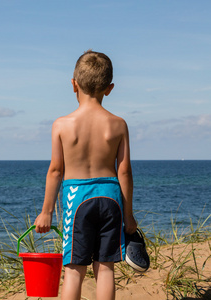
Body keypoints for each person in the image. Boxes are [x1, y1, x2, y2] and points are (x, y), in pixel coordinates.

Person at [34, 50, 138, 300]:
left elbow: (56, 170)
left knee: (73, 271)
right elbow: (124, 171)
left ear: (73, 84)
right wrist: (129, 215)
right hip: (111, 199)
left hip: (77, 199)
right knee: (105, 269)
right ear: (109, 88)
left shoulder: (62, 124)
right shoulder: (118, 124)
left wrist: (47, 211)